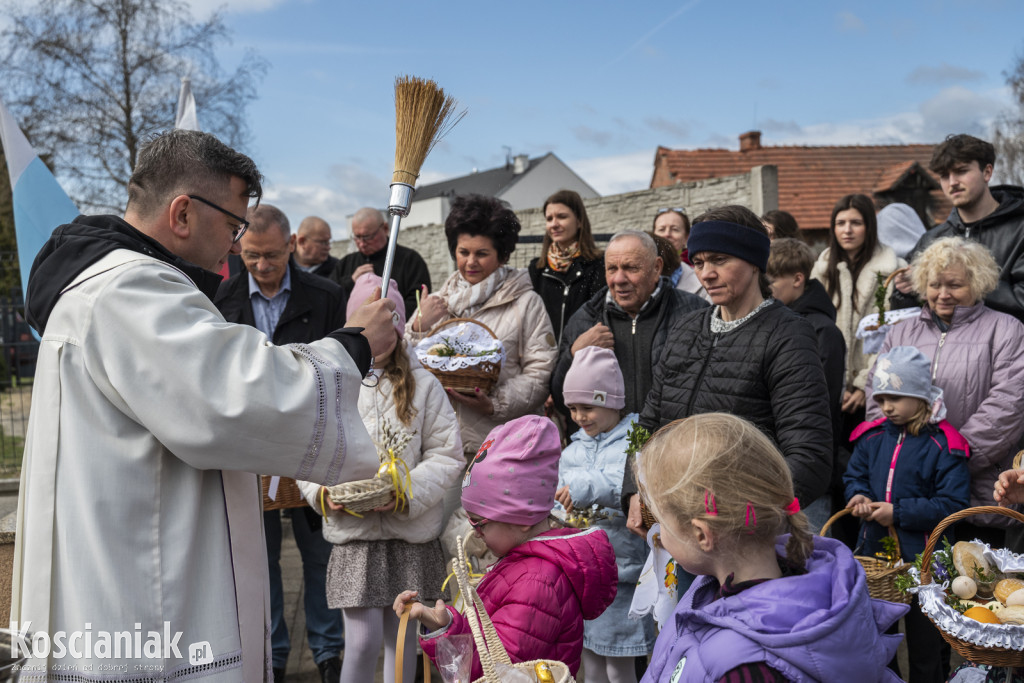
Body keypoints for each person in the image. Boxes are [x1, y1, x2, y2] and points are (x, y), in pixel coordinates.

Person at [14, 129, 396, 681]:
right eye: (234, 225)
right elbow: (234, 397)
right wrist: (355, 345)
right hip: (145, 596)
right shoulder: (129, 290)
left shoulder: (112, 282)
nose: (237, 245)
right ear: (184, 213)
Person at [637, 413, 907, 683]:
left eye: (661, 522)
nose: (659, 533)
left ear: (701, 534)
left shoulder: (747, 671)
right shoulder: (710, 588)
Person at [631, 206, 833, 533]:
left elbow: (809, 456)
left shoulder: (787, 335)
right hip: (677, 527)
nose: (706, 273)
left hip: (743, 541)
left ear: (754, 261)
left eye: (720, 260)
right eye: (698, 262)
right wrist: (636, 491)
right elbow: (649, 423)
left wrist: (748, 519)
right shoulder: (685, 329)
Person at [302, 274, 463, 683]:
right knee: (361, 642)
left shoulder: (424, 384)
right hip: (355, 539)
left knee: (404, 639)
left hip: (409, 534)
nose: (381, 333)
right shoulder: (332, 384)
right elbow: (304, 449)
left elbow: (447, 454)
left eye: (390, 320)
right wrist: (324, 493)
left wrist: (404, 493)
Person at [213, 204, 347, 682]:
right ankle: (270, 654)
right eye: (250, 256)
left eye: (271, 255)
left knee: (321, 556)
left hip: (311, 450)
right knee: (257, 558)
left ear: (290, 246)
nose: (262, 266)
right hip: (250, 454)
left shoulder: (328, 296)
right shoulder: (223, 298)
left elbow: (342, 374)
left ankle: (329, 652)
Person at [393, 415, 617, 679]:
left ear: (521, 519)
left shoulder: (537, 582)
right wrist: (443, 623)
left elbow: (495, 670)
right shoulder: (525, 563)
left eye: (480, 524)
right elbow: (491, 639)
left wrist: (447, 634)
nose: (475, 534)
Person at [867, 237, 1024, 548]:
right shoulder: (901, 331)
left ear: (978, 284)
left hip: (980, 494)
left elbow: (1008, 406)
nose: (942, 294)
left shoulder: (1006, 329)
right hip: (911, 496)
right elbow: (877, 396)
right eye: (934, 284)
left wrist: (948, 462)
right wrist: (906, 463)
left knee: (977, 590)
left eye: (954, 285)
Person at [845, 346, 969, 683]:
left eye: (896, 397)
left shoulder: (945, 444)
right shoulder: (870, 438)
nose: (886, 406)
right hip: (878, 559)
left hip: (926, 563)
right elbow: (854, 475)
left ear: (921, 396)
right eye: (882, 397)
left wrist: (897, 513)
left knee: (926, 643)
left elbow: (953, 504)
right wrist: (856, 494)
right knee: (879, 640)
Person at [408, 194, 557, 458]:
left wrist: (494, 404)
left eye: (482, 254)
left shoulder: (526, 303)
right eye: (463, 252)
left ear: (502, 256)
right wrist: (419, 326)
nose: (470, 262)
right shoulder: (438, 302)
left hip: (503, 445)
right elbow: (403, 362)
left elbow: (540, 371)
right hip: (442, 448)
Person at [554, 347, 656, 683]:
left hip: (622, 573)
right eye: (573, 408)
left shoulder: (636, 438)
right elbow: (560, 496)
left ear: (612, 402)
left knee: (619, 663)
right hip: (584, 575)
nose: (580, 416)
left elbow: (626, 482)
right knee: (590, 660)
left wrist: (583, 486)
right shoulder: (572, 450)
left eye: (588, 407)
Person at [550, 231, 707, 422]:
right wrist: (574, 354)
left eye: (631, 268)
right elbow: (561, 400)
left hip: (672, 444)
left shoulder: (694, 313)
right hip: (607, 449)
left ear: (657, 268)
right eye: (611, 269)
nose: (619, 279)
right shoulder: (584, 320)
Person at [893, 134, 1024, 322]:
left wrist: (965, 286)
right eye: (944, 176)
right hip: (943, 350)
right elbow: (909, 317)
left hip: (1010, 348)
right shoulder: (931, 240)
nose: (952, 182)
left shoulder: (1020, 230)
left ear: (987, 172)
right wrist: (904, 293)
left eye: (961, 171)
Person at [811, 194, 906, 442]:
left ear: (869, 227)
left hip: (879, 387)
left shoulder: (893, 270)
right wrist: (834, 384)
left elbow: (894, 333)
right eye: (840, 223)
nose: (847, 230)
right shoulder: (821, 270)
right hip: (829, 386)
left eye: (856, 222)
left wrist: (867, 383)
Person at [768, 238, 848, 529]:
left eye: (772, 280)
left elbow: (821, 406)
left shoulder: (823, 331)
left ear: (798, 279)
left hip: (809, 474)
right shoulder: (774, 322)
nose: (767, 289)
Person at [527, 189, 605, 345]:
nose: (554, 224)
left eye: (562, 217)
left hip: (581, 357)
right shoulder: (537, 269)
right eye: (549, 219)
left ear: (579, 220)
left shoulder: (598, 265)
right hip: (543, 358)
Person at [331, 207, 432, 317]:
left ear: (385, 228)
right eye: (357, 237)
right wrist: (350, 282)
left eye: (367, 237)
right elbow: (329, 297)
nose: (361, 243)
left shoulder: (410, 260)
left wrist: (388, 318)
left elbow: (418, 300)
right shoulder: (345, 263)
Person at [652, 207, 702, 295]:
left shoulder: (701, 276)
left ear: (686, 237)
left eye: (675, 229)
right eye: (661, 229)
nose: (667, 234)